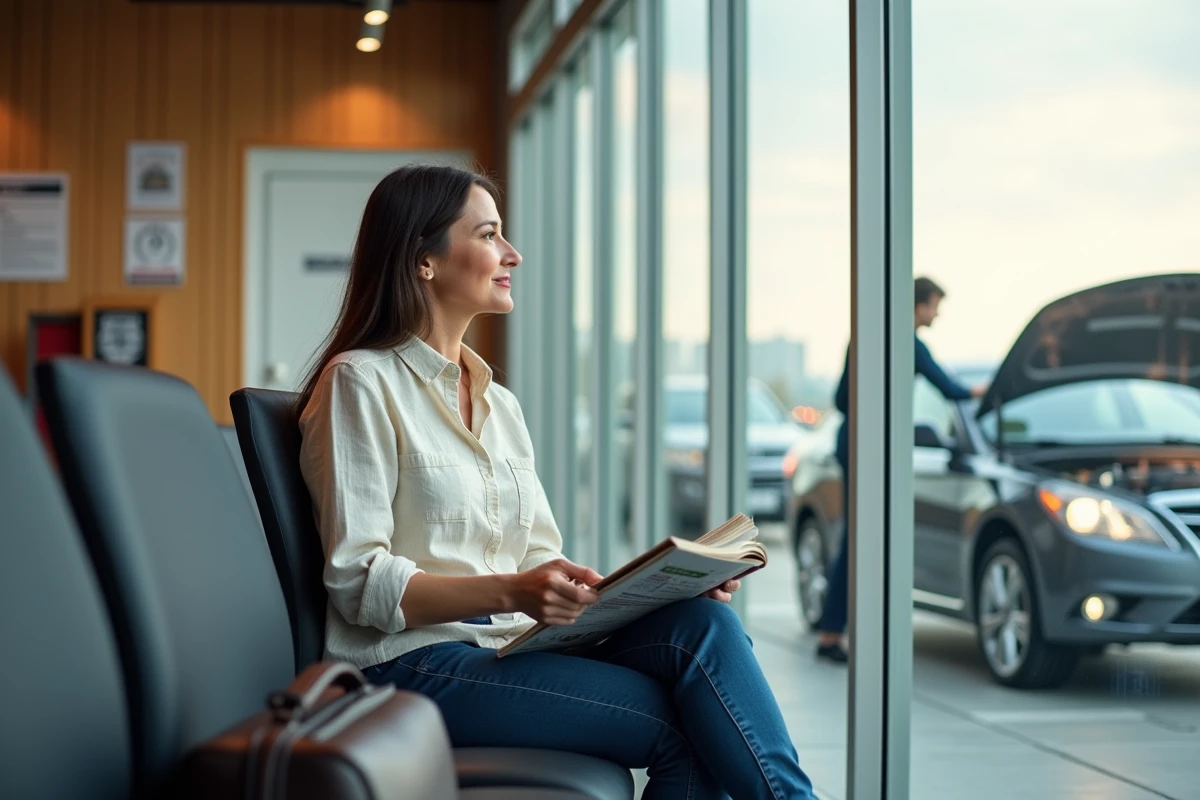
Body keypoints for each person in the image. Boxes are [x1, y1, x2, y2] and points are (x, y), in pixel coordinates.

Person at [297, 165, 815, 799]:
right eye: (488, 235)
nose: (511, 254)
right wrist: (516, 587)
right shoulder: (360, 382)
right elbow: (359, 583)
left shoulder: (500, 405)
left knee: (704, 626)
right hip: (411, 666)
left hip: (504, 647)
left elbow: (538, 556)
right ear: (423, 260)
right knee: (693, 726)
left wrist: (648, 588)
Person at [816, 276, 986, 663]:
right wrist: (983, 391)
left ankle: (834, 630)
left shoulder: (864, 336)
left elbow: (841, 399)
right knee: (865, 540)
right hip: (870, 449)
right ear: (920, 305)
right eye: (935, 306)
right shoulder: (908, 343)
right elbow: (951, 388)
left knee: (859, 538)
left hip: (852, 442)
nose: (937, 314)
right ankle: (834, 633)